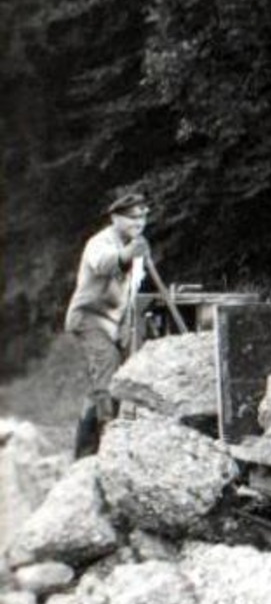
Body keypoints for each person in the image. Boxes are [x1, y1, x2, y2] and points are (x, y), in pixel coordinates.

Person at [65, 191, 150, 457]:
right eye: (132, 218)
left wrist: (127, 325)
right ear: (115, 218)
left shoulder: (135, 246)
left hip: (114, 321)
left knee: (111, 381)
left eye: (143, 217)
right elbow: (103, 264)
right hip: (88, 317)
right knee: (108, 370)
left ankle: (86, 453)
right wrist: (128, 254)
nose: (139, 223)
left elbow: (132, 292)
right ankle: (106, 443)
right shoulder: (100, 242)